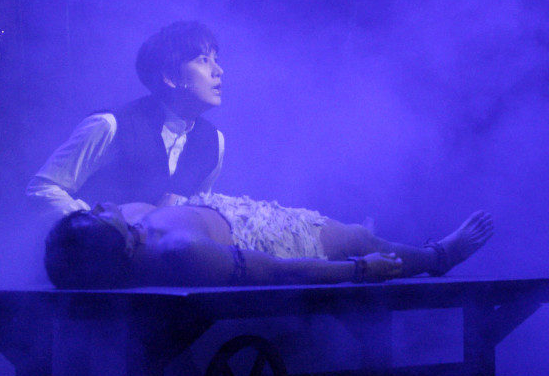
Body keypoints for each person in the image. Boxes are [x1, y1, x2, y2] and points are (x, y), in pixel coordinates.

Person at [44, 193, 494, 288]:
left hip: (235, 210)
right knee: (359, 238)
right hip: (265, 240)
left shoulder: (126, 221)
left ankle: (362, 240)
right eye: (97, 217)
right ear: (122, 249)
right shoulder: (179, 251)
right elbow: (277, 271)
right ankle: (438, 257)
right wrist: (360, 269)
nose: (99, 206)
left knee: (356, 233)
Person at [27, 21, 226, 217]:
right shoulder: (111, 125)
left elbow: (199, 211)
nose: (218, 71)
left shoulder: (213, 141)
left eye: (215, 59)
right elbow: (42, 188)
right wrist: (103, 225)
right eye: (203, 60)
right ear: (170, 77)